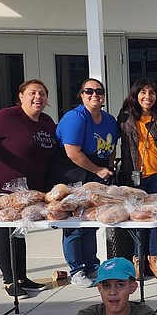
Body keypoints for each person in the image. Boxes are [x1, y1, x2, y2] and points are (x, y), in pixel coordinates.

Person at [0, 79, 58, 298]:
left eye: (42, 93)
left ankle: (21, 277)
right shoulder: (7, 117)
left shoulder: (47, 122)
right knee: (4, 229)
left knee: (20, 230)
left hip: (27, 190)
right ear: (21, 96)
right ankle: (9, 281)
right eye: (32, 93)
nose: (38, 97)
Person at [49, 78, 118, 288]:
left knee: (92, 221)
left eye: (99, 91)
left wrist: (109, 166)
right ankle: (76, 269)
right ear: (81, 94)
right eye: (89, 91)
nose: (94, 95)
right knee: (75, 223)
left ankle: (91, 264)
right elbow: (72, 152)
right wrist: (98, 170)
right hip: (73, 172)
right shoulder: (75, 118)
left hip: (98, 171)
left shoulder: (108, 119)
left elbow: (112, 145)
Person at [117, 78, 157, 279]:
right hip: (134, 176)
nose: (147, 97)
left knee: (156, 218)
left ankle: (155, 259)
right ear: (135, 95)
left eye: (151, 93)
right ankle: (138, 260)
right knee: (137, 219)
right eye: (143, 92)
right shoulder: (125, 117)